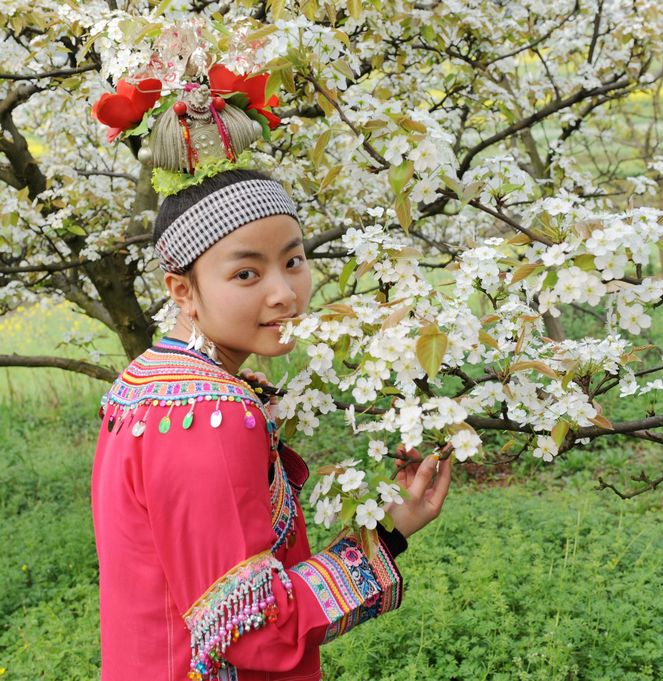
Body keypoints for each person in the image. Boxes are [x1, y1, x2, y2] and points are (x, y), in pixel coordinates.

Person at [91, 168, 452, 680]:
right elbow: (255, 627)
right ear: (182, 290)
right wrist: (383, 537)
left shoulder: (145, 383)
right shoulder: (213, 414)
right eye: (247, 273)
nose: (285, 293)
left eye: (293, 260)